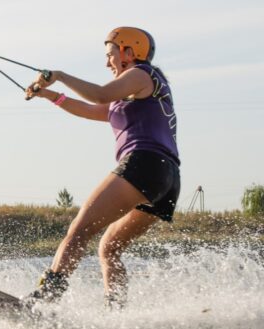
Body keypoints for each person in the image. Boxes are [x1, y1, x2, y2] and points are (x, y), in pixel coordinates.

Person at [24, 27, 180, 308]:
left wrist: (58, 74)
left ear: (129, 53)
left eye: (110, 55)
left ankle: (44, 300)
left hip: (143, 163)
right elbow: (93, 109)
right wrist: (49, 95)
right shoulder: (135, 91)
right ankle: (115, 312)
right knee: (109, 249)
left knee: (78, 230)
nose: (107, 62)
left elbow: (98, 95)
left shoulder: (141, 73)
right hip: (167, 179)